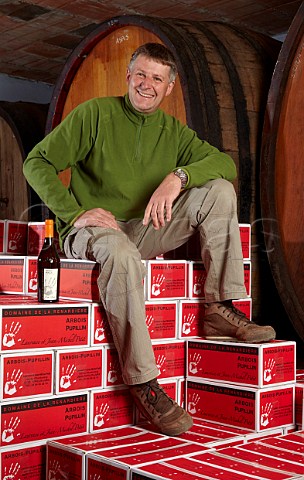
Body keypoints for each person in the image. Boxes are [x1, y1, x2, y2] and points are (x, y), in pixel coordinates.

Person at [23, 43, 276, 437]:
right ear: (128, 77)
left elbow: (224, 164)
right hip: (92, 231)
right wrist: (74, 213)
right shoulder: (95, 114)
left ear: (169, 87)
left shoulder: (173, 132)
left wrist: (178, 178)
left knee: (220, 191)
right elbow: (35, 162)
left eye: (157, 78)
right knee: (120, 251)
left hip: (141, 228)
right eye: (140, 75)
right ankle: (144, 382)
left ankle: (218, 306)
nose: (147, 84)